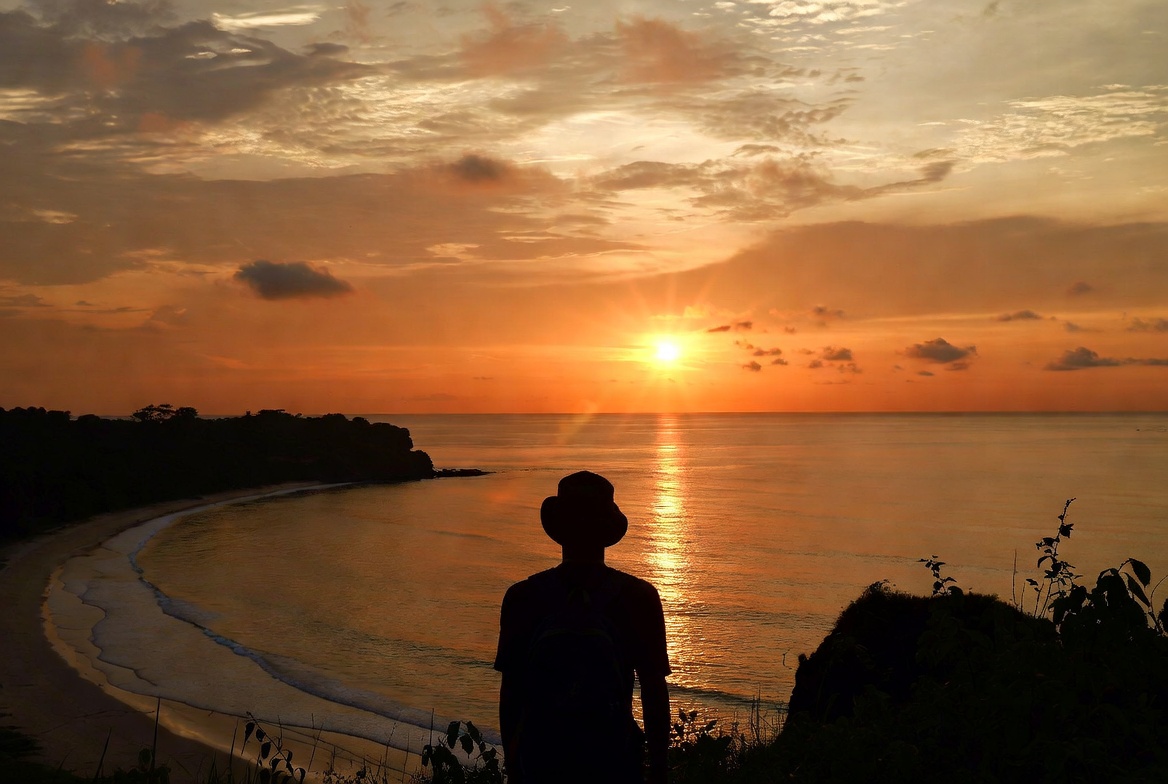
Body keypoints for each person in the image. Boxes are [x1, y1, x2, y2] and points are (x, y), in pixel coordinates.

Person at [494, 471, 671, 784]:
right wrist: (658, 767)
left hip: (543, 759)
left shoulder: (523, 597)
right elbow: (654, 692)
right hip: (611, 761)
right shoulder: (638, 597)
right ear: (608, 532)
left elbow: (512, 695)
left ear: (558, 529)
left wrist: (513, 765)